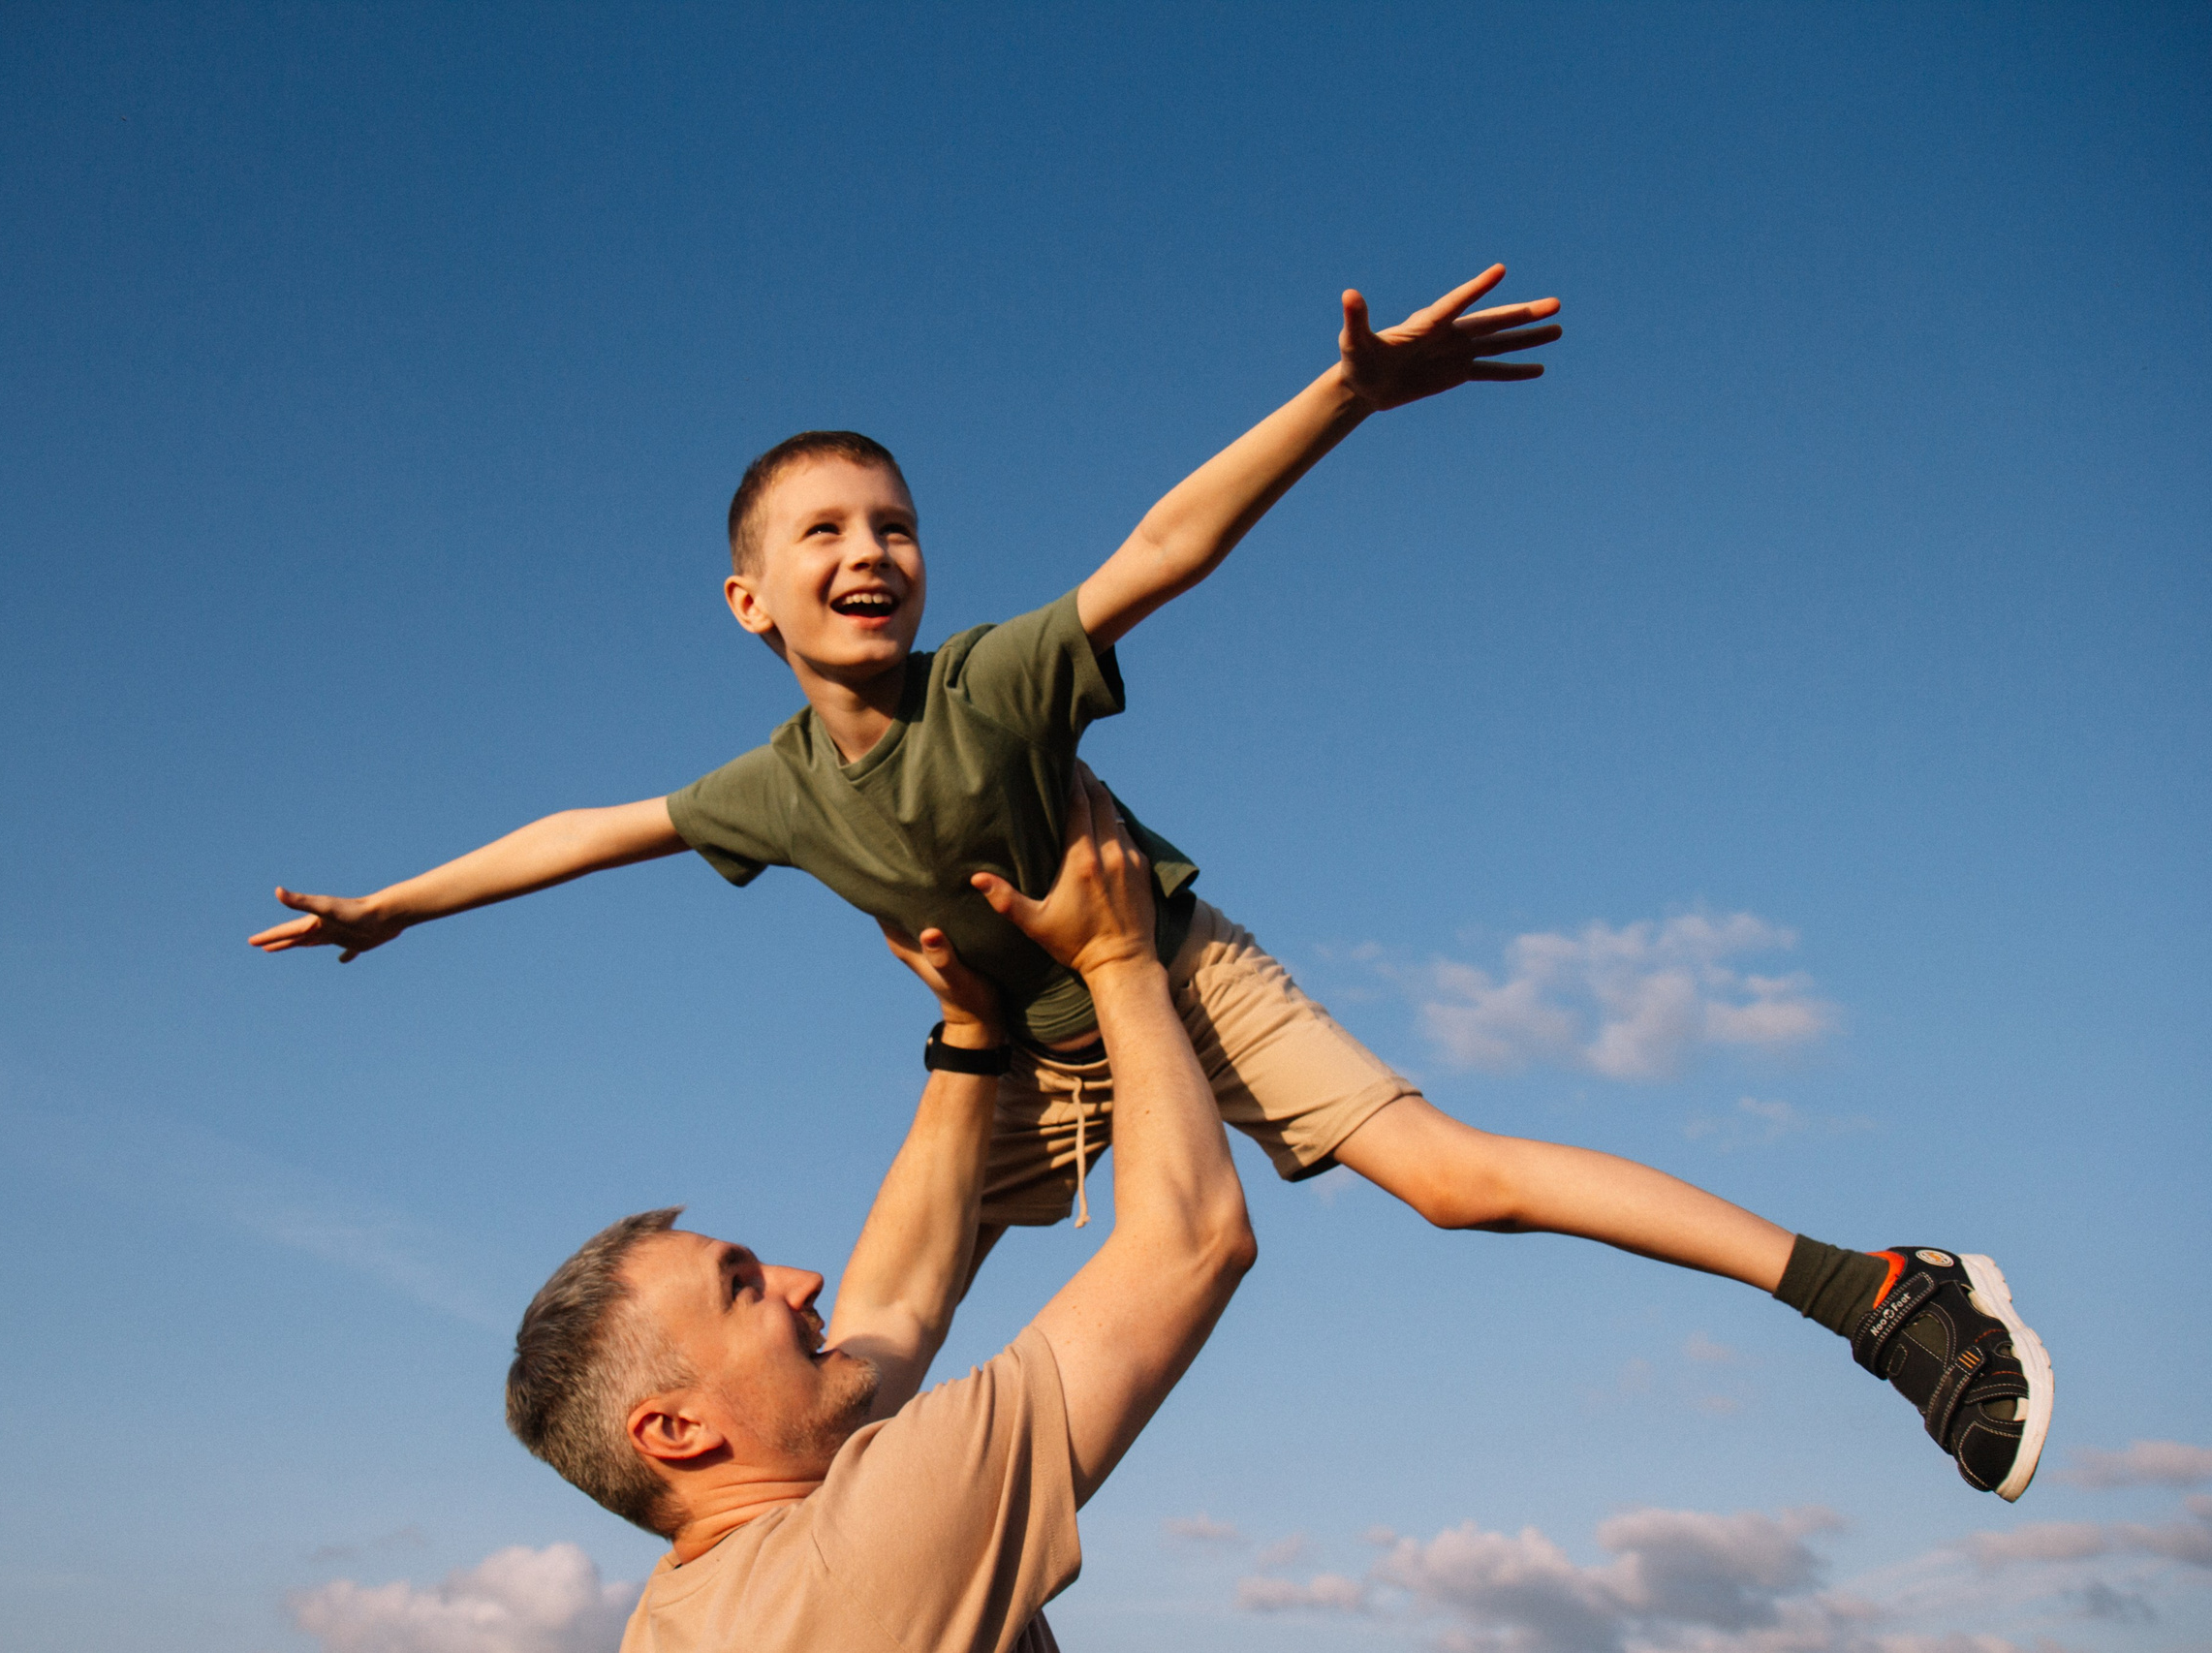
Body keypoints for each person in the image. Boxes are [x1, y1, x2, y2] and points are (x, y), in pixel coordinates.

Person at [259, 264, 2052, 1500]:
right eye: (824, 534)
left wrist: (1343, 399)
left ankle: (1881, 1293)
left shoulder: (993, 682)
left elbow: (1162, 546)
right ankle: (827, 1546)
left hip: (1167, 969)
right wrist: (397, 906)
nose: (869, 551)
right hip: (1017, 1046)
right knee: (883, 1332)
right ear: (752, 601)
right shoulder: (771, 789)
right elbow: (588, 831)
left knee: (1452, 1181)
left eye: (892, 525)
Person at [507, 771, 1256, 1651]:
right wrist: (1120, 962)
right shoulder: (858, 1553)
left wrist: (970, 1041)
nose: (802, 1281)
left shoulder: (692, 1613)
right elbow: (1193, 1244)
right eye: (741, 1288)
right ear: (676, 1429)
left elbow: (895, 1307)